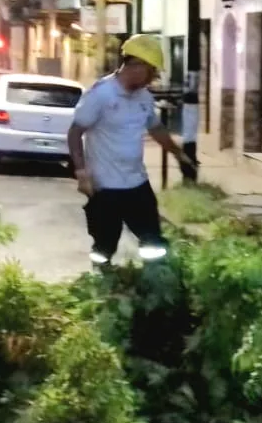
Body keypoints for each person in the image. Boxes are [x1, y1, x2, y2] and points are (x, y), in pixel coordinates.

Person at [67, 34, 197, 267]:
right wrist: (82, 173)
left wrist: (178, 155)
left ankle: (156, 287)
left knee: (154, 243)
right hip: (105, 188)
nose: (153, 78)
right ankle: (101, 286)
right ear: (136, 66)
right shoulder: (101, 94)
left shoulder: (144, 97)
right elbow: (75, 132)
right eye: (151, 71)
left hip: (137, 184)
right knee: (104, 247)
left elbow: (156, 129)